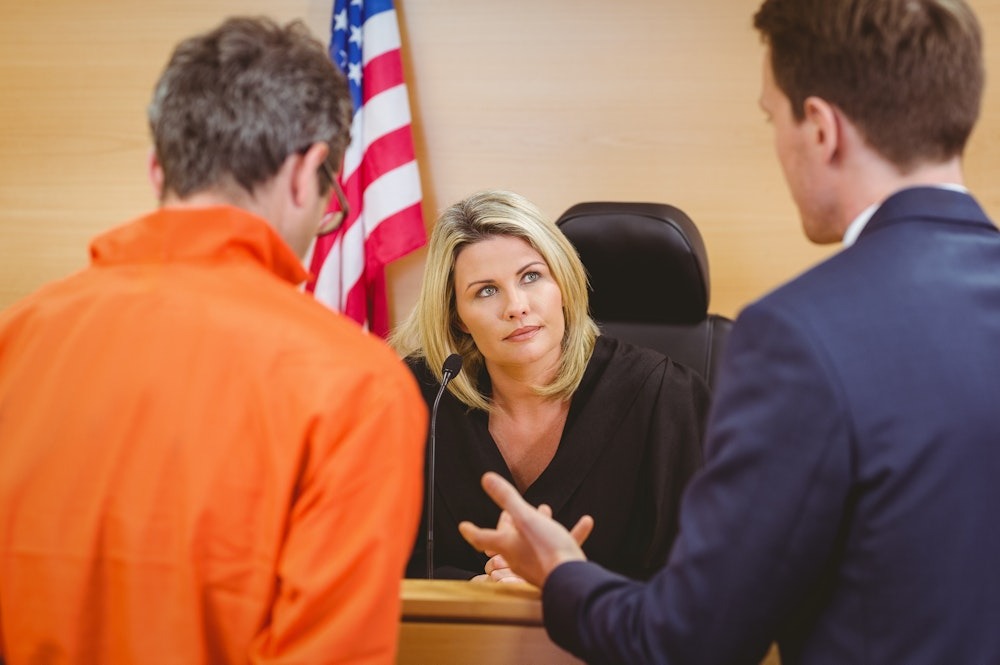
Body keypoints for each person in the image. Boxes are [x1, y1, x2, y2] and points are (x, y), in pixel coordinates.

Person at [459, 0, 1000, 663]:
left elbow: (689, 640)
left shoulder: (797, 335)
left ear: (822, 129)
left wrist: (564, 571)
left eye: (773, 117)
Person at [0, 17, 427, 665]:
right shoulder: (359, 386)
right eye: (330, 197)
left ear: (156, 169)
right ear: (304, 172)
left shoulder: (18, 337)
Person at [390, 189, 710, 581]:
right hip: (456, 639)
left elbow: (704, 577)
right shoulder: (420, 397)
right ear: (457, 316)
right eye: (486, 291)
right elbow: (378, 562)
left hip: (608, 638)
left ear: (563, 283)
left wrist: (569, 581)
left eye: (531, 276)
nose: (516, 306)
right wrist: (473, 592)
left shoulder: (664, 395)